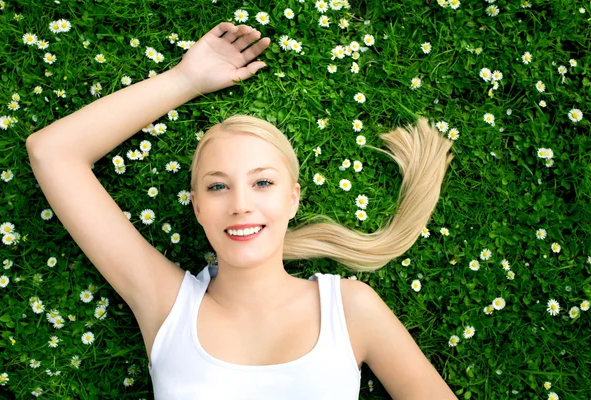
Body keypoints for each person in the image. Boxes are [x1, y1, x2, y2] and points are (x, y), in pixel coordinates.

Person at [26, 22, 457, 399]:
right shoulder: (169, 306)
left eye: (263, 182)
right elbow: (52, 152)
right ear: (196, 208)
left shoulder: (349, 309)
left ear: (293, 199)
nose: (241, 204)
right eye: (217, 186)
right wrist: (185, 79)